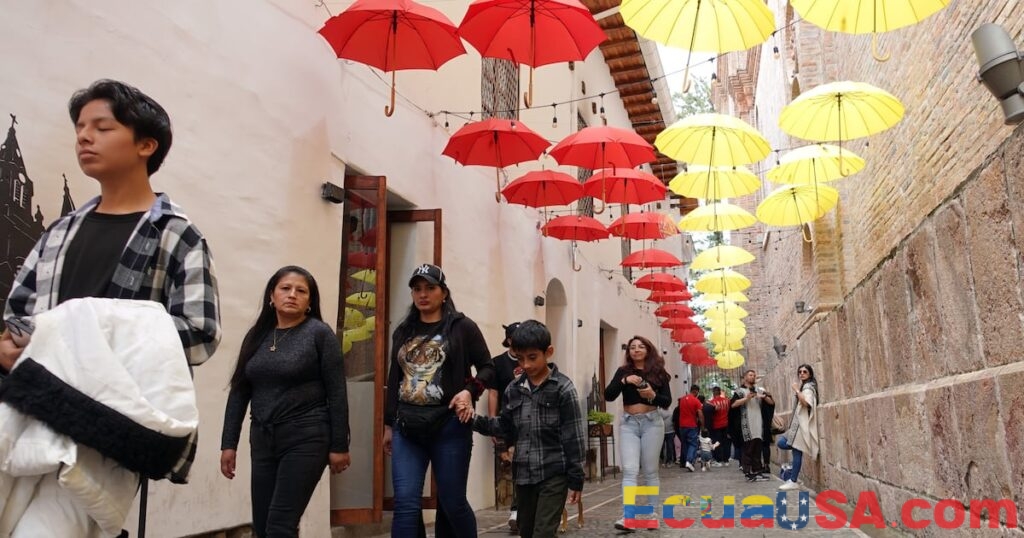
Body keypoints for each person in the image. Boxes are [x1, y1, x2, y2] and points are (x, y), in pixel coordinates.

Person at [0, 79, 221, 536]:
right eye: (80, 128)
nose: (84, 137)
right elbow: (18, 311)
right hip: (29, 406)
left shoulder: (176, 234)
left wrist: (86, 333)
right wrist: (12, 344)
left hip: (104, 424)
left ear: (146, 144)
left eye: (102, 127)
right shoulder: (60, 232)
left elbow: (200, 333)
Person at [220, 266, 350, 537]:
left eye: (301, 291)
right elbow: (239, 391)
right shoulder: (257, 336)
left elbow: (337, 392)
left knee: (280, 525)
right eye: (285, 288)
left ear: (309, 301)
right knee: (262, 526)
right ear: (272, 295)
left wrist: (339, 445)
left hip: (306, 437)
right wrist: (228, 444)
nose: (292, 295)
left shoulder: (319, 334)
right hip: (263, 438)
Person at [383, 263, 494, 538]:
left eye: (430, 288)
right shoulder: (403, 331)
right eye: (417, 289)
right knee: (405, 505)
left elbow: (487, 368)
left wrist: (469, 391)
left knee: (452, 502)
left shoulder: (462, 327)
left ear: (443, 293)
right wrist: (388, 424)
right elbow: (394, 378)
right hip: (407, 426)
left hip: (450, 425)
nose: (423, 294)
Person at [472, 320, 585, 538]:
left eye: (532, 357)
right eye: (520, 358)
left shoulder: (563, 388)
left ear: (548, 352)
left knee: (543, 533)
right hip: (523, 475)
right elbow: (504, 426)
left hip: (554, 473)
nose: (526, 365)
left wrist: (576, 479)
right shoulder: (513, 389)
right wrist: (473, 420)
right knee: (527, 532)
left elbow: (573, 436)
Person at [604, 335, 672, 531]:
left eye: (641, 346)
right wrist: (624, 380)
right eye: (632, 347)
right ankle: (628, 517)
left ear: (648, 350)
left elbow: (666, 401)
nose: (636, 350)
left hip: (652, 423)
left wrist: (652, 395)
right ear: (629, 352)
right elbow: (608, 395)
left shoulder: (658, 372)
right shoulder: (623, 371)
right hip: (629, 424)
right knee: (630, 469)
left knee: (650, 471)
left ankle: (652, 514)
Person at [486, 321, 522, 532]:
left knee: (523, 464)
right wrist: (493, 422)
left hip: (528, 420)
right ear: (508, 340)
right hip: (508, 421)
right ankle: (517, 510)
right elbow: (493, 393)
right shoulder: (498, 363)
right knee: (514, 465)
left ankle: (520, 509)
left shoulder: (531, 359)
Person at [777, 364, 820, 491]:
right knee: (786, 445)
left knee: (795, 450)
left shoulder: (808, 387)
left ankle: (793, 480)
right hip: (796, 426)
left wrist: (796, 390)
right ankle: (794, 477)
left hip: (802, 425)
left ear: (810, 374)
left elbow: (806, 403)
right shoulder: (805, 386)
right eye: (800, 371)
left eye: (805, 372)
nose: (801, 374)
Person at [731, 370, 774, 482]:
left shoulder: (759, 390)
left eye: (754, 375)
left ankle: (757, 471)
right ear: (745, 377)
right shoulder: (740, 391)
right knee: (748, 448)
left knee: (758, 448)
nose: (753, 377)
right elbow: (733, 404)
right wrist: (747, 398)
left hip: (758, 423)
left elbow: (771, 403)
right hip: (746, 424)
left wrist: (764, 397)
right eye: (750, 375)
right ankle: (748, 473)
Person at [676, 385, 703, 472]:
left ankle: (684, 462)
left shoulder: (682, 399)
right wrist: (703, 425)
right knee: (693, 444)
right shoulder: (696, 401)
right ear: (696, 391)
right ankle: (689, 461)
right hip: (691, 425)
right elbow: (700, 414)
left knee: (684, 444)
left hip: (682, 426)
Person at [708, 386, 731, 466]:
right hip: (726, 424)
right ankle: (726, 460)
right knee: (726, 442)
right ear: (720, 392)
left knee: (717, 442)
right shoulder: (727, 401)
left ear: (713, 393)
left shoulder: (711, 402)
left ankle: (718, 460)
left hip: (716, 425)